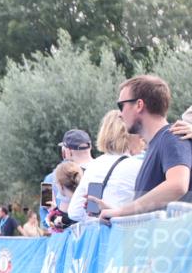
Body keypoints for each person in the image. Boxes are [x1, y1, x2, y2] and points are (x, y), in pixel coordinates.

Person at [95, 75, 191, 219]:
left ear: (139, 105)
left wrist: (121, 212)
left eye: (121, 106)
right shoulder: (158, 143)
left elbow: (177, 185)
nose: (120, 114)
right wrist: (120, 213)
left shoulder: (172, 136)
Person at [68, 110, 144, 224]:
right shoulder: (138, 166)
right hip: (128, 233)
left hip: (100, 236)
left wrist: (93, 214)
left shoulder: (94, 166)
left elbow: (74, 212)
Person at [41, 129, 92, 225]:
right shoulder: (102, 169)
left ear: (67, 151)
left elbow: (46, 221)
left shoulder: (51, 178)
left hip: (68, 235)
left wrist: (52, 210)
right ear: (90, 147)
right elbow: (94, 211)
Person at [47, 162, 82, 232]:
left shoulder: (74, 209)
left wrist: (53, 212)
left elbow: (61, 222)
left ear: (60, 185)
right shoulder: (85, 199)